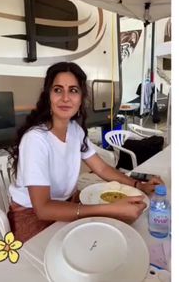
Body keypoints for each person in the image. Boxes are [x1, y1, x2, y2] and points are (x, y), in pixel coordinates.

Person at [9, 62, 163, 242]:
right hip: (33, 216)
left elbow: (103, 169)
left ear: (81, 97)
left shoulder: (75, 130)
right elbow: (43, 209)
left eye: (73, 90)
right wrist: (110, 209)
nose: (65, 98)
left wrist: (138, 185)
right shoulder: (36, 140)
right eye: (58, 90)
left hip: (69, 203)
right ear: (48, 96)